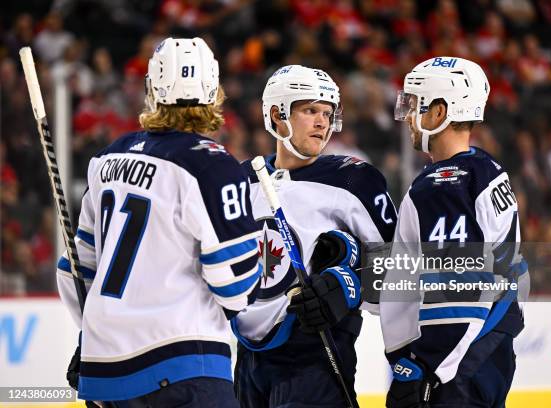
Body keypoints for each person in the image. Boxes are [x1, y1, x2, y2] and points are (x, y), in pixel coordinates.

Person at [56, 37, 261, 407]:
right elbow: (235, 285)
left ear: (153, 88)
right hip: (184, 366)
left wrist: (97, 336)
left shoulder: (108, 159)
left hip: (105, 372)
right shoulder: (212, 165)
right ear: (214, 90)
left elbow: (74, 268)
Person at [231, 65, 398, 407]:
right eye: (310, 111)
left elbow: (403, 270)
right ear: (278, 114)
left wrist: (347, 284)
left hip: (315, 355)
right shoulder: (241, 180)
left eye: (327, 113)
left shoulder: (354, 180)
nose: (322, 122)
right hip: (247, 359)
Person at [380, 56, 529, 408]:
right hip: (487, 348)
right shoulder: (486, 168)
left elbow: (458, 288)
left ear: (440, 112)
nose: (409, 119)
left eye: (416, 106)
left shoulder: (445, 184)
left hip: (457, 365)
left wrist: (426, 369)